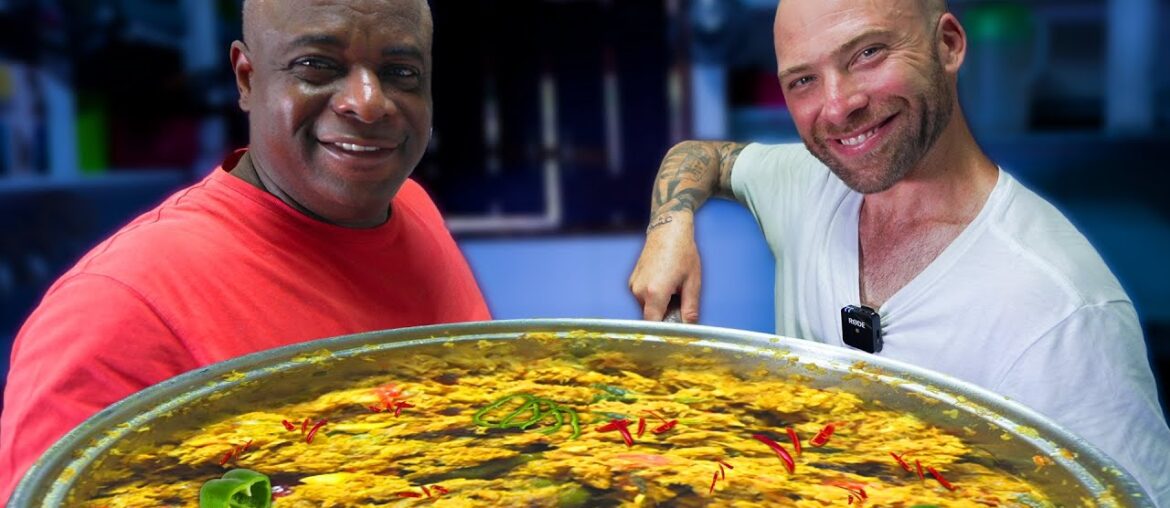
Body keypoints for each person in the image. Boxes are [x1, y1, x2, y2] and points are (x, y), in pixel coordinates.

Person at [629, 0, 1170, 503]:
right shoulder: (809, 184)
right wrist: (670, 227)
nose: (838, 107)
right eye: (803, 81)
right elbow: (703, 156)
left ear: (949, 44)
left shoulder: (1063, 315)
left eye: (868, 53)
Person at [0, 0, 490, 500]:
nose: (367, 102)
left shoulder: (411, 205)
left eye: (400, 72)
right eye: (317, 66)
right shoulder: (116, 307)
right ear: (247, 79)